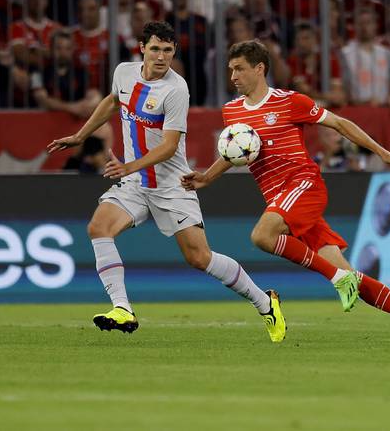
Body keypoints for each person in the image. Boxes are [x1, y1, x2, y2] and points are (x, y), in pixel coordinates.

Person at [182, 40, 390, 348]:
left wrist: (381, 150)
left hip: (303, 185)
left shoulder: (290, 101)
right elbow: (235, 152)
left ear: (259, 68)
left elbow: (340, 123)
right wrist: (207, 177)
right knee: (350, 275)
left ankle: (338, 279)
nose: (233, 77)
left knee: (262, 236)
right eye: (231, 70)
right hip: (279, 200)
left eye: (239, 69)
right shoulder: (232, 110)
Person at [47, 22, 286, 343]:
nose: (161, 57)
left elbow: (169, 146)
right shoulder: (124, 73)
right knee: (98, 228)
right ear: (142, 48)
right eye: (156, 49)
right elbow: (113, 101)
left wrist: (128, 165)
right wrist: (80, 135)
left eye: (168, 51)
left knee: (199, 257)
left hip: (172, 185)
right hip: (135, 182)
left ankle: (264, 302)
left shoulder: (176, 89)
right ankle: (122, 308)